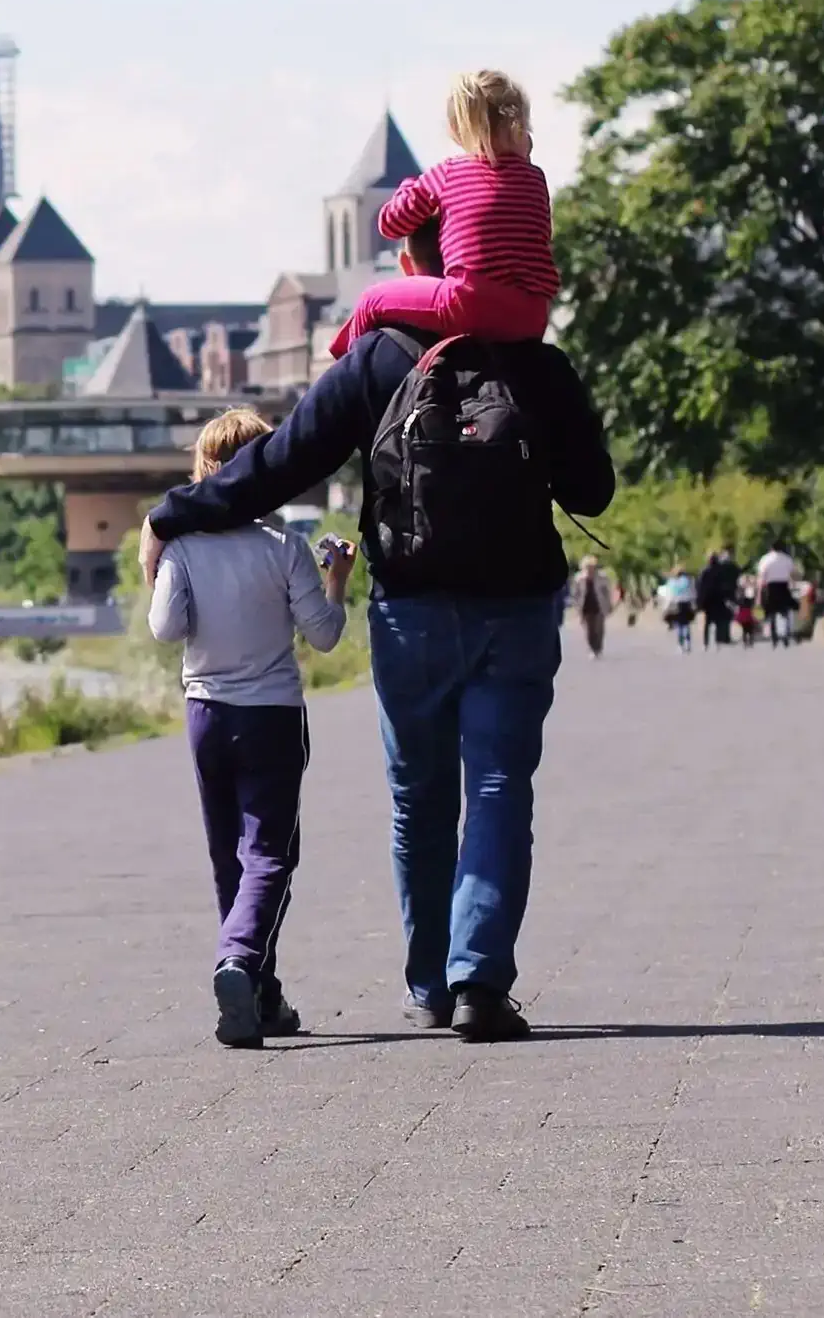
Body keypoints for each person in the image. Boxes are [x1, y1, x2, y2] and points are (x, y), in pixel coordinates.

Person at [143, 220, 614, 1043]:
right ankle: (480, 982)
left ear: (410, 265)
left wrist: (173, 513)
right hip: (517, 604)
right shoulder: (538, 362)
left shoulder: (380, 359)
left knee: (419, 798)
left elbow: (277, 463)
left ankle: (430, 983)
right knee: (500, 787)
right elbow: (594, 489)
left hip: (411, 608)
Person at [146, 406, 353, 1049]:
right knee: (270, 853)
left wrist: (156, 573)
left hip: (206, 712)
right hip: (272, 713)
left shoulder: (182, 547)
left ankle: (260, 993)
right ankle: (238, 961)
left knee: (226, 856)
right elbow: (323, 637)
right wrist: (337, 581)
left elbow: (165, 629)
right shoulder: (283, 547)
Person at [326, 70, 558, 359]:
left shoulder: (449, 173)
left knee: (371, 300)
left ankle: (348, 374)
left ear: (456, 128)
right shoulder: (536, 179)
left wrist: (410, 188)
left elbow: (391, 224)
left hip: (470, 304)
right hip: (533, 315)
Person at [568, 556, 614, 658]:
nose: (590, 569)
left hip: (599, 606)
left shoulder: (602, 577)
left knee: (599, 628)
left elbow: (607, 592)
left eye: (592, 566)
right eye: (588, 567)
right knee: (589, 630)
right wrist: (576, 605)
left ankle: (598, 648)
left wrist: (609, 604)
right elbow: (575, 593)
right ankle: (592, 649)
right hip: (585, 607)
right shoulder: (579, 578)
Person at [695, 549, 739, 650]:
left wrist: (699, 601)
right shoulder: (722, 570)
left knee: (708, 622)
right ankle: (718, 641)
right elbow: (727, 583)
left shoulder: (705, 571)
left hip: (709, 599)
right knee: (719, 621)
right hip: (720, 598)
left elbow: (700, 587)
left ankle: (706, 643)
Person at [656, 565, 696, 652]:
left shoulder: (672, 582)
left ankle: (680, 645)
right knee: (686, 625)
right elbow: (693, 593)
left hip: (677, 604)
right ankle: (688, 644)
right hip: (687, 604)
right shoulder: (689, 580)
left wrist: (665, 607)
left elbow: (668, 594)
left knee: (680, 625)